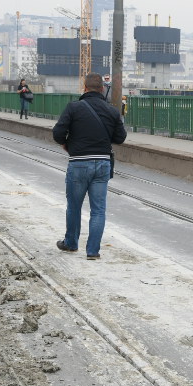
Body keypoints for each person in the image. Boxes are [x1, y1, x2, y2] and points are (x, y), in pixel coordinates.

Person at [51, 72, 127, 259]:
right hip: (102, 163)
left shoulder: (74, 108)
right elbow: (120, 138)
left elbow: (57, 133)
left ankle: (71, 243)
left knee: (74, 206)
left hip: (79, 163)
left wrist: (67, 144)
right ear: (102, 89)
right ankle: (93, 251)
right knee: (98, 209)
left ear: (84, 88)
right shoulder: (112, 111)